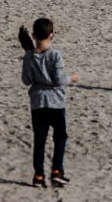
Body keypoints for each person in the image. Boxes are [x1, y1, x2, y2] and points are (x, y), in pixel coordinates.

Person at [22, 17, 76, 187]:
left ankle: (38, 175)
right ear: (51, 35)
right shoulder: (55, 55)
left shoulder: (29, 56)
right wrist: (72, 78)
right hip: (56, 102)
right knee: (60, 137)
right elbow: (59, 80)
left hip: (38, 102)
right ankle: (57, 171)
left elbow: (26, 80)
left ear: (34, 35)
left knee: (40, 139)